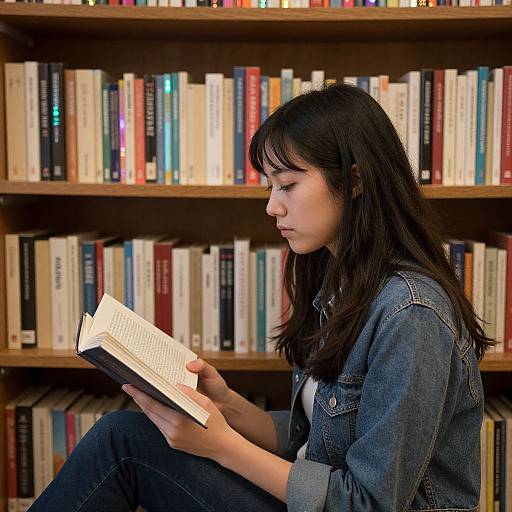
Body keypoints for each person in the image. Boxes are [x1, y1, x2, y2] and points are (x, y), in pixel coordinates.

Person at [29, 83, 492, 512]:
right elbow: (309, 441)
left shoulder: (411, 313)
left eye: (288, 185)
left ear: (354, 182)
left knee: (120, 442)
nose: (272, 206)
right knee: (125, 434)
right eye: (270, 186)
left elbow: (366, 503)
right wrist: (227, 403)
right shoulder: (340, 282)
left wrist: (221, 445)